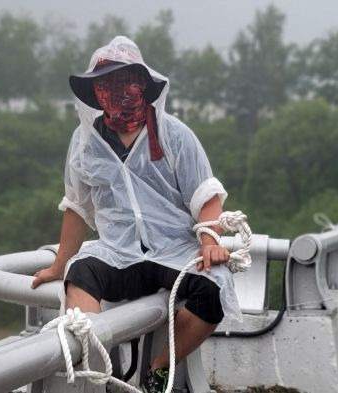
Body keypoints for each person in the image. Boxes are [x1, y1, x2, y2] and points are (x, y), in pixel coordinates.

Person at [31, 36, 241, 393]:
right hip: (119, 253)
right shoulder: (85, 142)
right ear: (96, 92)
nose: (118, 92)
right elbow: (78, 208)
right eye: (107, 84)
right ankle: (99, 373)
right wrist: (59, 264)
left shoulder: (174, 135)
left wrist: (209, 241)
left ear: (142, 84)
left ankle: (159, 368)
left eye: (125, 81)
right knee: (80, 272)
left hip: (174, 250)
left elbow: (206, 197)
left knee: (214, 289)